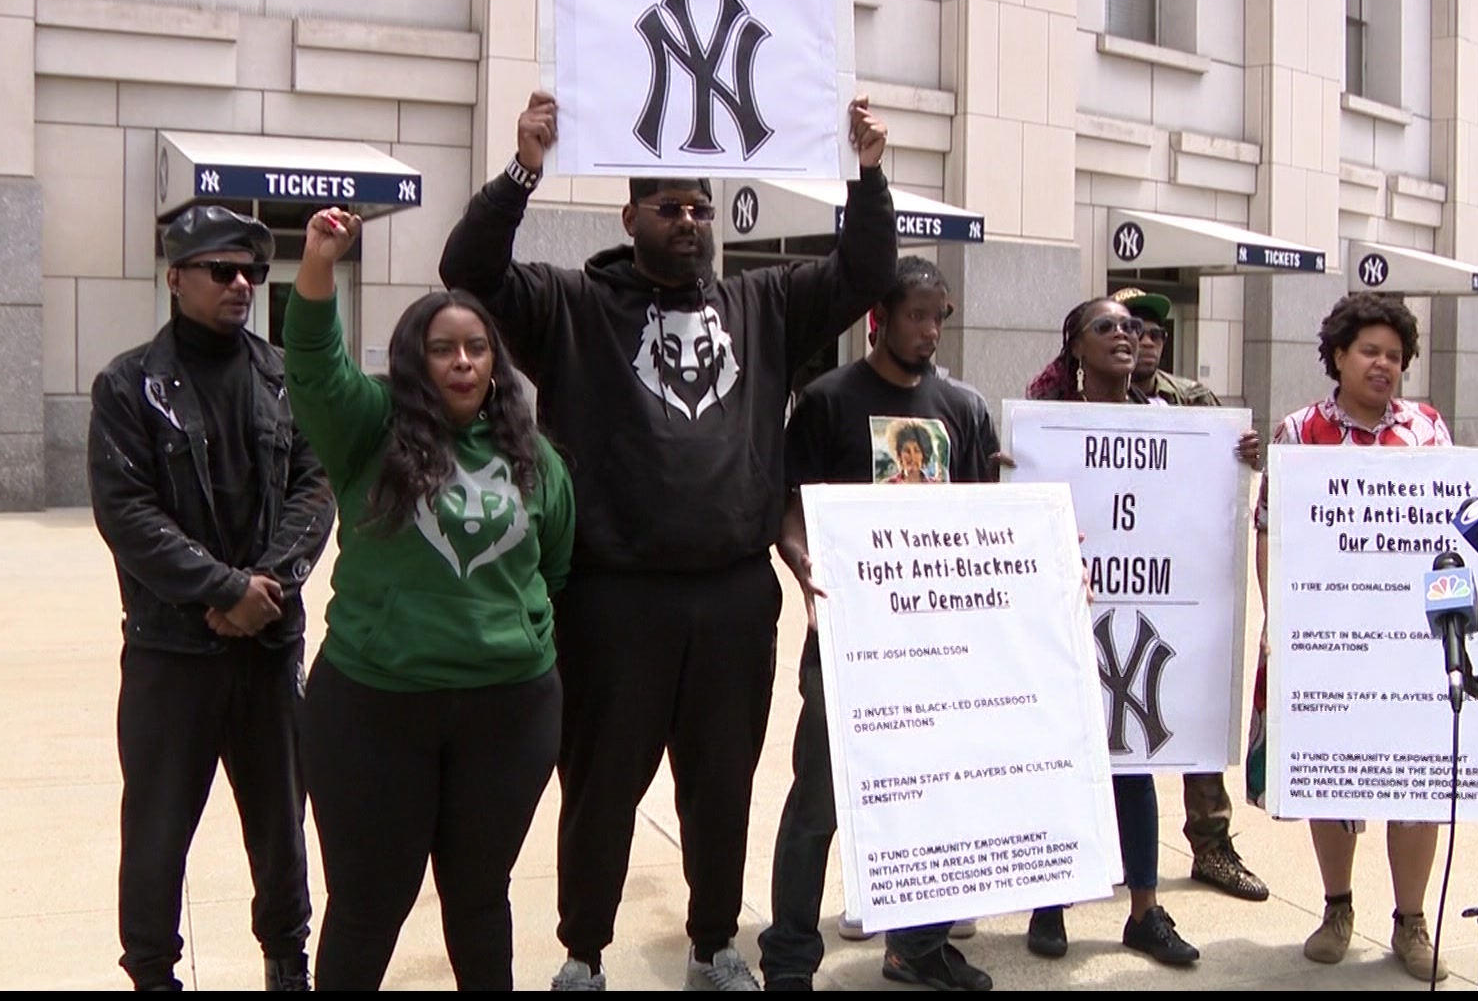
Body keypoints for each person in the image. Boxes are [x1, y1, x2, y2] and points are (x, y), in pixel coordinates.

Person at [439, 92, 897, 992]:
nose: (688, 222)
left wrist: (869, 172)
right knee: (603, 789)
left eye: (700, 208)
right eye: (669, 207)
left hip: (732, 595)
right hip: (614, 598)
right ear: (630, 217)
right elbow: (469, 270)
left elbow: (864, 270)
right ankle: (583, 953)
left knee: (721, 788)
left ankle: (714, 944)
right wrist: (525, 166)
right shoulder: (573, 305)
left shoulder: (763, 302)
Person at [282, 207, 575, 990]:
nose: (462, 362)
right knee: (371, 904)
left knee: (480, 902)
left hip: (507, 715)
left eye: (477, 348)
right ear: (415, 358)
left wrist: (499, 631)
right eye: (442, 348)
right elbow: (312, 364)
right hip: (373, 712)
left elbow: (553, 570)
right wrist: (317, 263)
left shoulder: (535, 458)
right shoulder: (366, 428)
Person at [1248, 292, 1478, 982]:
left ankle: (1411, 922)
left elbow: (1461, 515)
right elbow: (1271, 529)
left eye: (1395, 355)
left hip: (1412, 638)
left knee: (1417, 780)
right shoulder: (1301, 432)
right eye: (1370, 352)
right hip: (1330, 635)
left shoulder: (1426, 428)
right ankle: (1336, 908)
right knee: (1330, 775)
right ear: (1337, 355)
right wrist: (1282, 621)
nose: (1383, 365)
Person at [87, 205, 332, 992]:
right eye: (222, 271)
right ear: (175, 278)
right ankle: (154, 974)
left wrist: (270, 586)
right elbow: (127, 513)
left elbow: (314, 486)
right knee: (157, 831)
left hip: (266, 652)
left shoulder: (283, 375)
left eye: (253, 273)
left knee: (280, 830)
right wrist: (225, 589)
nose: (241, 284)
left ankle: (285, 963)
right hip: (171, 653)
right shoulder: (130, 385)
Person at [758, 257, 998, 993]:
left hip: (939, 645)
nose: (928, 331)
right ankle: (792, 956)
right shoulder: (829, 402)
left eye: (938, 317)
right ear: (879, 319)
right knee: (819, 803)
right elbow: (790, 506)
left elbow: (987, 518)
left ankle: (916, 947)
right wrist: (803, 565)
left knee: (935, 796)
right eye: (915, 316)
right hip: (848, 640)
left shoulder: (962, 408)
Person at [1016, 296, 1261, 969]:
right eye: (1107, 328)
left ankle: (1145, 911)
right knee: (1066, 756)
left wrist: (1239, 459)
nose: (1125, 337)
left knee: (1135, 757)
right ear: (1075, 349)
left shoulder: (1173, 424)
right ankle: (1051, 900)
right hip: (1068, 615)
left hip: (1141, 619)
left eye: (1132, 328)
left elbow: (1204, 505)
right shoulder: (1047, 427)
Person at [1108, 287, 1271, 904]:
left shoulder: (1195, 402)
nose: (1142, 341)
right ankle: (1107, 850)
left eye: (1152, 332)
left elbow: (1223, 490)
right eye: (1130, 328)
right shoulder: (1075, 400)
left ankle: (1211, 846)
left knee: (1193, 715)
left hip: (1180, 583)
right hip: (1109, 587)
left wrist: (1244, 457)